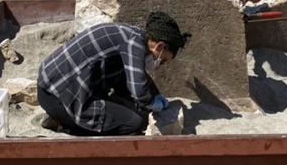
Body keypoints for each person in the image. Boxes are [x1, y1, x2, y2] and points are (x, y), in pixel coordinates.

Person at [37, 12, 191, 136]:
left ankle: (62, 119)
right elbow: (139, 91)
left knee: (131, 108)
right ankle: (67, 126)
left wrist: (155, 94)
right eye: (162, 60)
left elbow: (132, 76)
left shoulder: (131, 35)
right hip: (59, 95)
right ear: (159, 46)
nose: (159, 65)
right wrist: (152, 103)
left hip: (50, 88)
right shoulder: (134, 44)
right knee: (134, 123)